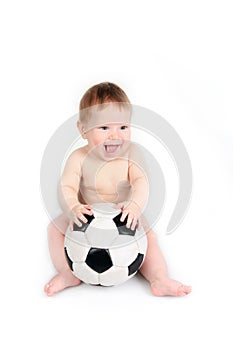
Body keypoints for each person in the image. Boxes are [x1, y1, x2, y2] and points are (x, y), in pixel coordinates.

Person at [44, 82, 192, 297]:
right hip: (87, 215)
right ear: (83, 129)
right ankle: (67, 272)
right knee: (54, 228)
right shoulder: (79, 157)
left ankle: (159, 278)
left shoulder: (132, 153)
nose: (115, 135)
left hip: (123, 215)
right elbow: (66, 186)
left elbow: (141, 181)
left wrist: (134, 206)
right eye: (104, 128)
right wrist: (74, 207)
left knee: (149, 237)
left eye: (123, 127)